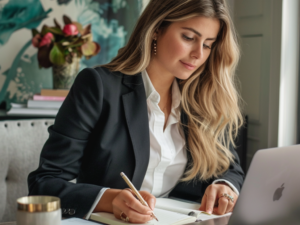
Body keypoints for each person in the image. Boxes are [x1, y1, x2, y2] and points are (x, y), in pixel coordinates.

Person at [28, 0, 245, 223]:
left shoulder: (203, 98)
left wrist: (224, 186)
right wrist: (109, 199)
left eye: (208, 44)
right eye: (189, 38)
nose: (198, 54)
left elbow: (230, 167)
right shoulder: (98, 86)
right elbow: (44, 185)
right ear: (156, 29)